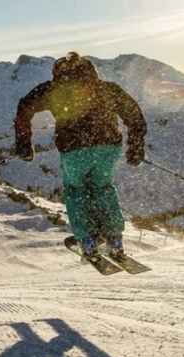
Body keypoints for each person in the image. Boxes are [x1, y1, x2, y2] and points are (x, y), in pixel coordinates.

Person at [14, 51, 147, 260]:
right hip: (108, 147)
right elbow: (134, 114)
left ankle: (88, 239)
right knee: (102, 187)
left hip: (74, 149)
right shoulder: (108, 88)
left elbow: (24, 107)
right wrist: (136, 147)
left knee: (76, 190)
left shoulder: (53, 90)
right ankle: (114, 239)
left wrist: (23, 143)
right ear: (91, 70)